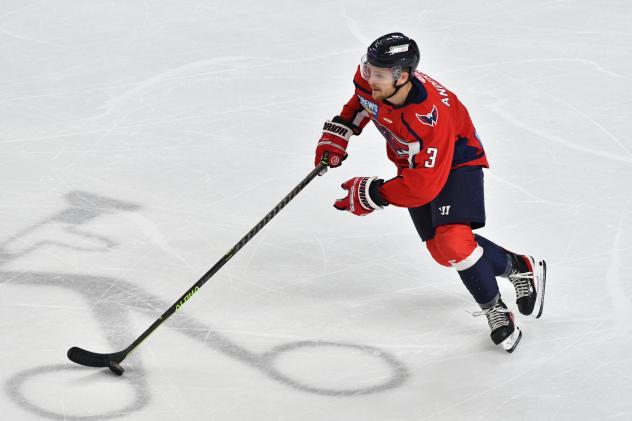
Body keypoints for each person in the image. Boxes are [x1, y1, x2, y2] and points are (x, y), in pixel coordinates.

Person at [313, 32, 546, 352]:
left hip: (456, 163)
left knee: (454, 241)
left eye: (377, 75)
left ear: (402, 77)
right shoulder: (374, 80)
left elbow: (422, 189)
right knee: (442, 251)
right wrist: (341, 130)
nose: (369, 79)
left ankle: (496, 309)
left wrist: (372, 193)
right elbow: (363, 101)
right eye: (368, 70)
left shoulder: (427, 120)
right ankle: (519, 266)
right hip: (415, 165)